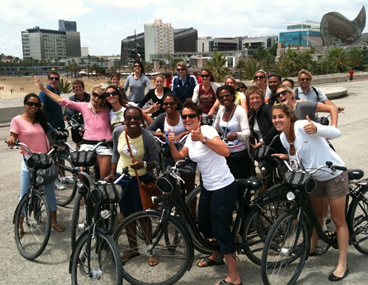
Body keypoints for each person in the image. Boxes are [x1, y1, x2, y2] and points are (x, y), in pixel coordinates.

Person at [271, 104, 349, 281]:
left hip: (333, 174)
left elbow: (336, 133)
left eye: (280, 116)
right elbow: (299, 157)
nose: (277, 120)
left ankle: (342, 263)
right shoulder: (283, 138)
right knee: (316, 215)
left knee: (338, 220)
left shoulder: (302, 127)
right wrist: (286, 158)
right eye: (274, 117)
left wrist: (318, 128)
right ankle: (312, 247)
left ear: (289, 117)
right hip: (314, 178)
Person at [168, 99, 242, 285]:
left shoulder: (206, 131)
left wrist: (202, 139)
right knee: (205, 225)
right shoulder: (189, 137)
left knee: (220, 229)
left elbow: (225, 151)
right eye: (184, 116)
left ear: (199, 117)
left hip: (223, 186)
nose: (187, 119)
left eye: (191, 115)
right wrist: (170, 143)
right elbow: (180, 156)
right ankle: (215, 255)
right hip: (208, 186)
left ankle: (234, 277)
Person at [106, 106, 159, 266]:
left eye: (136, 117)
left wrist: (143, 163)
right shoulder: (118, 132)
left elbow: (155, 162)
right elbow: (116, 152)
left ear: (141, 120)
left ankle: (150, 249)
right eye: (129, 118)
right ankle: (133, 248)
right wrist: (111, 172)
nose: (133, 121)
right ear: (124, 120)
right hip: (121, 179)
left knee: (143, 215)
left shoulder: (147, 137)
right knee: (127, 214)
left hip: (140, 179)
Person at [6, 93, 65, 236]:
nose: (33, 106)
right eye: (31, 104)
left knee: (50, 192)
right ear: (25, 104)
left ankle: (54, 221)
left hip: (44, 160)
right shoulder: (17, 120)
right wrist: (11, 139)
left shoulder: (40, 120)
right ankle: (19, 225)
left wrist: (51, 146)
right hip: (29, 161)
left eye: (36, 104)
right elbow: (13, 135)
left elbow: (45, 136)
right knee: (24, 194)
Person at [34, 76, 113, 179]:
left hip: (105, 144)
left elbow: (123, 104)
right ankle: (84, 194)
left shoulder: (109, 108)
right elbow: (61, 101)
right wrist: (43, 89)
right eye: (95, 95)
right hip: (87, 143)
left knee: (104, 178)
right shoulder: (84, 106)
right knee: (80, 175)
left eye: (101, 97)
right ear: (92, 94)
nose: (96, 98)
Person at [213, 85, 251, 180]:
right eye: (221, 97)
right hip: (225, 153)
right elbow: (215, 128)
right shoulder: (221, 111)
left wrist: (236, 135)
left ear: (232, 96)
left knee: (241, 182)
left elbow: (247, 133)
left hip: (239, 154)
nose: (224, 98)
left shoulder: (240, 111)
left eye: (227, 95)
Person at [247, 85, 279, 150]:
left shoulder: (267, 109)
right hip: (262, 148)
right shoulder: (253, 113)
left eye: (257, 98)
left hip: (273, 147)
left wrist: (262, 141)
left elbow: (276, 126)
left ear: (262, 99)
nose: (255, 100)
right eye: (252, 98)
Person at [63, 79, 91, 148]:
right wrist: (67, 116)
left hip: (89, 123)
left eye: (80, 86)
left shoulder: (90, 97)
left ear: (83, 88)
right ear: (73, 90)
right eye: (76, 87)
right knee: (78, 142)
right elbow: (67, 112)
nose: (78, 88)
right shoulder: (72, 99)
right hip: (77, 124)